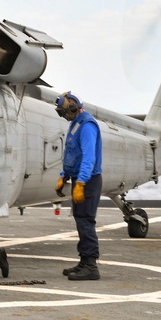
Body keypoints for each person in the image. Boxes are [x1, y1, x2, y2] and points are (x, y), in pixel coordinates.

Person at [55, 91, 103, 281]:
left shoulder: (87, 126)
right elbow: (72, 154)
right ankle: (84, 261)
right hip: (79, 179)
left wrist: (81, 182)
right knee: (80, 218)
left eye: (65, 112)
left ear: (73, 108)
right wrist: (64, 176)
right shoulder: (76, 124)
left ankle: (91, 266)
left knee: (86, 220)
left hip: (89, 180)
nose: (65, 116)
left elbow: (89, 157)